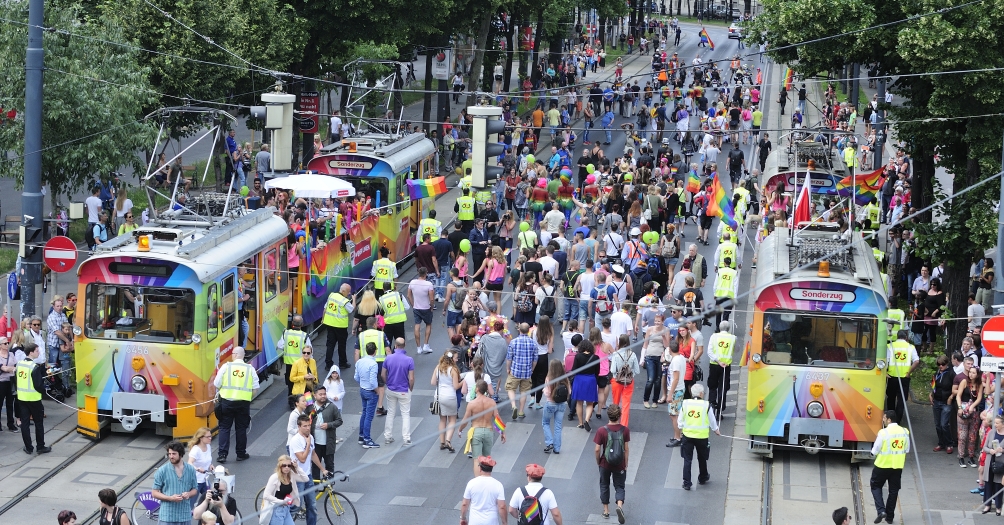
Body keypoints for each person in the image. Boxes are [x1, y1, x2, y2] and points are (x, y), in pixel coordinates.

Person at [213, 347, 258, 464]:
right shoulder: (250, 369)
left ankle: (222, 455)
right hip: (243, 404)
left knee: (224, 428)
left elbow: (216, 383)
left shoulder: (226, 367)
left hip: (226, 403)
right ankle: (241, 454)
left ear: (235, 355)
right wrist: (247, 398)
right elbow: (255, 388)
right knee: (241, 429)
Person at [458, 380, 507, 473]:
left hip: (476, 431)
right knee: (487, 458)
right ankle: (486, 479)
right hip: (488, 431)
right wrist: (502, 432)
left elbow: (465, 420)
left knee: (477, 459)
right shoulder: (492, 402)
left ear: (477, 389)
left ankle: (478, 481)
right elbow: (497, 418)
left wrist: (460, 430)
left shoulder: (471, 404)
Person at [289, 414, 329, 525]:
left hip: (307, 476)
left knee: (312, 506)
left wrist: (323, 469)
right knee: (296, 506)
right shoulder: (295, 440)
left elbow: (313, 454)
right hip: (297, 478)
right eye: (305, 426)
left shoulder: (310, 437)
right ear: (299, 427)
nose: (308, 428)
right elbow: (302, 458)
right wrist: (307, 445)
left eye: (309, 425)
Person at [679, 384, 720, 490]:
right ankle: (702, 477)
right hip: (702, 437)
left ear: (692, 393)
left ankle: (687, 482)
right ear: (701, 394)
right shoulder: (706, 405)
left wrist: (681, 429)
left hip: (687, 436)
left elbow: (680, 420)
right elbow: (712, 419)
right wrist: (716, 430)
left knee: (687, 459)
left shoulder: (686, 403)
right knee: (702, 458)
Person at [871, 410, 910, 523]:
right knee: (893, 491)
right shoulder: (904, 431)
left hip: (882, 465)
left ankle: (881, 510)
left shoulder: (883, 433)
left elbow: (876, 449)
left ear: (889, 419)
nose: (883, 420)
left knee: (875, 486)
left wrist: (872, 453)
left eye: (884, 418)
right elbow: (907, 449)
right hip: (897, 467)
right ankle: (889, 517)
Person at [594, 404, 629, 524]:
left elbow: (597, 449)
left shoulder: (601, 430)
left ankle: (606, 511)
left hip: (605, 463)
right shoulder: (625, 430)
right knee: (620, 486)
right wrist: (625, 462)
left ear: (608, 415)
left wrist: (599, 461)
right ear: (619, 415)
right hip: (619, 464)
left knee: (604, 485)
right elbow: (626, 448)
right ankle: (619, 506)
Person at [151, 441, 198, 525]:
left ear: (180, 454)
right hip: (167, 517)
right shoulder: (162, 471)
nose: (171, 456)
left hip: (185, 516)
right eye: (169, 454)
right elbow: (154, 493)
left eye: (174, 454)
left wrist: (188, 494)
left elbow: (195, 489)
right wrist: (170, 498)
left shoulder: (190, 470)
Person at [382, 338, 415, 446]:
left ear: (395, 346)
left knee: (391, 413)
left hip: (391, 389)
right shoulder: (409, 360)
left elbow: (383, 374)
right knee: (405, 414)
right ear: (404, 345)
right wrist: (410, 388)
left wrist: (388, 383)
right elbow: (411, 378)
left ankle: (388, 436)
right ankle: (406, 439)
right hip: (404, 390)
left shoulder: (388, 358)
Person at [17, 342, 48, 454]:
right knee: (38, 422)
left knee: (25, 423)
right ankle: (40, 446)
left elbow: (16, 380)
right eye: (36, 351)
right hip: (34, 399)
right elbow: (38, 385)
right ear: (31, 352)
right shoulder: (34, 367)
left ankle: (28, 447)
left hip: (22, 398)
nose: (38, 352)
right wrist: (45, 391)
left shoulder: (19, 364)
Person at [261, 455, 310, 525]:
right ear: (280, 466)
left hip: (286, 508)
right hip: (276, 510)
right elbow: (266, 495)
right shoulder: (275, 477)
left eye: (289, 465)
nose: (287, 468)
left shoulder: (291, 475)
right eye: (284, 465)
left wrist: (297, 467)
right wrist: (281, 501)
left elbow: (306, 479)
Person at [460, 456, 507, 525]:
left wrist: (463, 518)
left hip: (475, 521)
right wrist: (504, 522)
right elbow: (502, 506)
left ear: (480, 468)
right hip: (491, 522)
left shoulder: (471, 483)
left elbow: (464, 504)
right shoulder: (498, 485)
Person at [886, 330, 920, 424]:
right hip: (905, 377)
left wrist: (885, 372)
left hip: (892, 376)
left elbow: (886, 360)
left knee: (891, 398)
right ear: (906, 337)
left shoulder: (890, 346)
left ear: (897, 337)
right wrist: (909, 372)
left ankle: (890, 419)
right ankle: (897, 420)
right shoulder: (910, 347)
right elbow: (916, 361)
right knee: (901, 400)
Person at [506, 323, 538, 420]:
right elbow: (535, 359)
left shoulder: (513, 342)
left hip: (515, 370)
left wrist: (508, 368)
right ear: (529, 330)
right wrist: (532, 369)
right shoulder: (533, 343)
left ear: (519, 329)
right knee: (523, 392)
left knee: (510, 388)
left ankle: (513, 405)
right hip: (527, 372)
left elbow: (509, 358)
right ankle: (521, 411)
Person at [277, 316, 311, 405]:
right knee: (305, 384)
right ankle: (308, 403)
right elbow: (309, 350)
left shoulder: (286, 333)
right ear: (302, 324)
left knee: (291, 384)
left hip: (289, 364)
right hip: (301, 364)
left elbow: (280, 346)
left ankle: (292, 403)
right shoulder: (304, 336)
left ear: (292, 323)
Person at [433, 349, 462, 452]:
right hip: (450, 396)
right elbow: (456, 386)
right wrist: (463, 381)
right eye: (456, 358)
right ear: (451, 359)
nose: (457, 360)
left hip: (439, 395)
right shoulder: (453, 370)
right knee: (452, 420)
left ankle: (442, 442)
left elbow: (432, 382)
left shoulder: (438, 367)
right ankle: (448, 440)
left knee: (442, 420)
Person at [310, 387, 342, 479]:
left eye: (324, 394)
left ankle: (330, 485)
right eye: (320, 394)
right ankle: (316, 486)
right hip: (315, 443)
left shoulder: (332, 407)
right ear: (315, 395)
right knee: (315, 465)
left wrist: (329, 425)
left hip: (329, 442)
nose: (323, 396)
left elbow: (339, 421)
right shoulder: (311, 407)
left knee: (329, 465)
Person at [608, 334, 640, 426]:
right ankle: (624, 425)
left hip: (616, 381)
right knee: (626, 405)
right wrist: (630, 374)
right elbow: (637, 371)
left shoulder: (616, 354)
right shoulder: (632, 354)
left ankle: (614, 422)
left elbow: (613, 370)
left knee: (616, 403)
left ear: (620, 343)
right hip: (629, 382)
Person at [354, 342, 380, 449]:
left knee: (364, 413)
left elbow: (356, 377)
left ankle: (361, 436)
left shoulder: (359, 361)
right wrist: (377, 390)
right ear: (375, 351)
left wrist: (362, 383)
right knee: (369, 416)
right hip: (370, 391)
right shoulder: (373, 364)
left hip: (362, 389)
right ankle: (367, 440)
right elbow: (373, 381)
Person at [706, 321, 735, 418]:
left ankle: (712, 407)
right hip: (726, 366)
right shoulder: (733, 338)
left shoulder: (714, 336)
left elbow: (709, 351)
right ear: (729, 329)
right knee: (723, 388)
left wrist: (718, 361)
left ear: (719, 327)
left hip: (714, 365)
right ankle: (720, 410)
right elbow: (738, 349)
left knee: (712, 386)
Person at [321, 283, 353, 370]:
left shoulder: (331, 295)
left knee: (330, 345)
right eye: (348, 292)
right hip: (340, 327)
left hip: (330, 324)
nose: (349, 293)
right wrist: (354, 300)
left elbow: (325, 308)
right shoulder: (344, 301)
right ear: (343, 291)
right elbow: (351, 309)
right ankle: (342, 363)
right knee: (341, 345)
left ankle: (328, 365)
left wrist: (323, 319)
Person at [542, 359, 569, 454]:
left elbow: (547, 393)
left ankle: (549, 442)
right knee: (558, 426)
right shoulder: (565, 378)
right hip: (561, 404)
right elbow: (569, 391)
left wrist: (543, 390)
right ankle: (557, 448)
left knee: (545, 422)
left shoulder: (549, 378)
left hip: (550, 403)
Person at [408, 267, 436, 354]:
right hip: (426, 308)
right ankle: (426, 345)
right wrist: (431, 306)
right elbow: (431, 299)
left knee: (417, 325)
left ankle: (418, 347)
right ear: (426, 273)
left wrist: (413, 305)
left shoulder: (412, 282)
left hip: (416, 308)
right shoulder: (428, 284)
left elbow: (409, 296)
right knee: (428, 324)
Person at [187, 427, 214, 494]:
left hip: (205, 479)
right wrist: (197, 469)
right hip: (196, 481)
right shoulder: (196, 450)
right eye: (207, 437)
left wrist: (210, 465)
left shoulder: (208, 446)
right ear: (201, 438)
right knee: (191, 503)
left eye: (210, 436)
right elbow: (189, 463)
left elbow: (207, 459)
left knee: (211, 499)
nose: (210, 438)